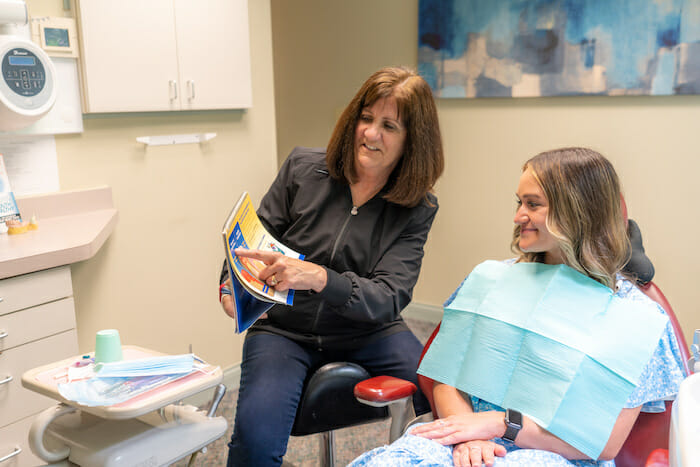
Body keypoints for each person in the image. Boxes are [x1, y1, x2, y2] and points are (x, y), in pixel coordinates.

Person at [349, 147, 686, 467]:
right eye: (519, 202)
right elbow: (446, 380)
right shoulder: (491, 280)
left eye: (533, 204)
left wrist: (498, 425)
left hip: (554, 454)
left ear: (576, 211)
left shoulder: (635, 318)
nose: (518, 216)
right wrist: (467, 433)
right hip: (464, 437)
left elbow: (603, 442)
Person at [219, 66, 444, 466]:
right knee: (255, 442)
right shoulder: (303, 168)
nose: (371, 134)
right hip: (284, 330)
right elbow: (253, 239)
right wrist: (229, 286)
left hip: (369, 330)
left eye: (389, 126)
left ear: (413, 140)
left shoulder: (417, 207)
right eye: (366, 118)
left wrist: (322, 278)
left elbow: (388, 296)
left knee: (443, 393)